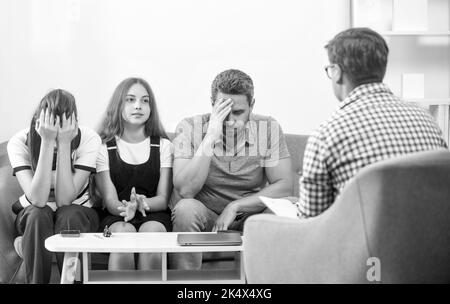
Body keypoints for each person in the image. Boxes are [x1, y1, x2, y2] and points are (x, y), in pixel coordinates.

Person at [298, 27, 448, 218]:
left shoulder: (327, 133)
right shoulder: (428, 120)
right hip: (432, 243)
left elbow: (311, 221)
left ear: (336, 72)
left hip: (366, 246)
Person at [170, 69, 294, 270]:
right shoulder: (190, 127)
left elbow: (284, 185)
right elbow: (185, 190)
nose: (230, 121)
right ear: (212, 104)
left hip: (248, 216)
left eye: (238, 113)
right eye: (223, 112)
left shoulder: (268, 127)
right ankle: (187, 286)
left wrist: (235, 207)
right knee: (186, 208)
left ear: (252, 105)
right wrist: (211, 136)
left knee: (287, 207)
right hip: (206, 216)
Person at [7, 89, 101, 283]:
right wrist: (47, 141)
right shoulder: (19, 142)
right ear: (38, 120)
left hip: (78, 211)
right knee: (37, 214)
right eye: (52, 124)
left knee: (69, 214)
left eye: (64, 125)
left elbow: (65, 200)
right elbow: (38, 199)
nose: (58, 131)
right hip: (35, 214)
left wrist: (65, 143)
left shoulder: (89, 138)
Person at [95, 77, 173, 270]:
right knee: (124, 236)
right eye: (130, 100)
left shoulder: (164, 146)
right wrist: (126, 208)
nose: (138, 106)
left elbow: (163, 198)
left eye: (145, 101)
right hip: (117, 215)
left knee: (152, 235)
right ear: (118, 105)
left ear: (151, 108)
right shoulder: (103, 148)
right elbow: (110, 201)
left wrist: (140, 203)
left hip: (154, 212)